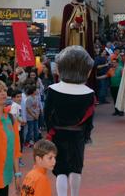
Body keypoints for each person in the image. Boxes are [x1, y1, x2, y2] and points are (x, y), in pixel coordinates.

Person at [44, 45, 96, 196]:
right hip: (77, 135)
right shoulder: (89, 93)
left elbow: (47, 114)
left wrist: (50, 131)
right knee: (76, 168)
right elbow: (89, 121)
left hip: (57, 133)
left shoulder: (53, 90)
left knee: (60, 169)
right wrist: (86, 135)